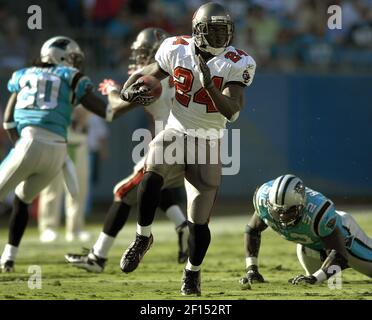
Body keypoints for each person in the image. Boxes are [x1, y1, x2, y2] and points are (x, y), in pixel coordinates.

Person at [119, 2, 256, 295]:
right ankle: (143, 237)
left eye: (224, 31)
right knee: (151, 176)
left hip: (208, 142)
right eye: (214, 30)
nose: (221, 37)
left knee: (198, 221)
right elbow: (151, 72)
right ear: (198, 31)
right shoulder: (176, 47)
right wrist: (128, 88)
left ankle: (192, 273)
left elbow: (232, 111)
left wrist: (210, 87)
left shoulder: (238, 61)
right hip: (176, 131)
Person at [64, 27, 189, 273]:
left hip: (172, 144)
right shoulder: (179, 70)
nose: (139, 57)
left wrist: (111, 89)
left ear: (154, 52)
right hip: (192, 143)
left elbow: (114, 110)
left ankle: (98, 257)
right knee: (153, 186)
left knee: (122, 192)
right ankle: (183, 227)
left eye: (143, 52)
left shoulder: (151, 76)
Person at [0, 36, 111, 272]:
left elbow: (8, 121)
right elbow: (106, 111)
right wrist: (121, 99)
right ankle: (8, 259)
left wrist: (22, 147)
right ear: (58, 56)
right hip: (59, 150)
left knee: (16, 198)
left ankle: (9, 257)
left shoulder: (24, 75)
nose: (75, 64)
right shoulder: (73, 79)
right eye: (72, 58)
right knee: (23, 199)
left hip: (30, 141)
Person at [240, 174, 372, 287]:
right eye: (277, 211)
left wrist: (316, 278)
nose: (282, 217)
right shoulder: (262, 198)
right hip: (310, 247)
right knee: (310, 279)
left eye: (288, 212)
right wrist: (252, 269)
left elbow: (340, 255)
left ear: (301, 206)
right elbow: (252, 230)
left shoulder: (319, 214)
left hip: (344, 241)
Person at [38, 105, 91, 243]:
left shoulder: (84, 88)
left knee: (78, 188)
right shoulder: (56, 87)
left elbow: (88, 113)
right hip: (56, 142)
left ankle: (76, 228)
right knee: (51, 188)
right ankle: (48, 227)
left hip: (78, 144)